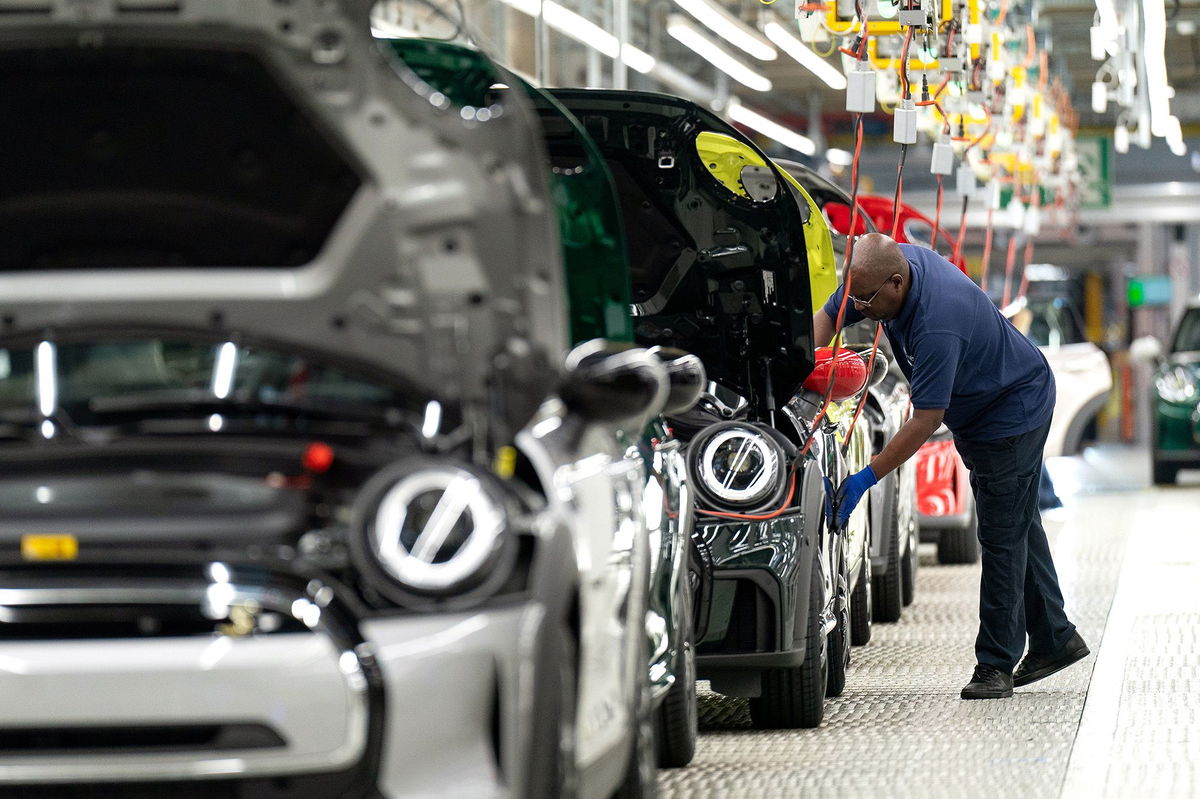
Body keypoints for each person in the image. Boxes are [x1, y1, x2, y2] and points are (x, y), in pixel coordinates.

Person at [817, 233, 1089, 700]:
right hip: (986, 403)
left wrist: (866, 476)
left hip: (1011, 410)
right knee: (1018, 521)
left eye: (867, 300)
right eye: (854, 296)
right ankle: (1055, 638)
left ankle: (995, 666)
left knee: (1001, 535)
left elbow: (926, 418)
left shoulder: (937, 322)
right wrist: (802, 368)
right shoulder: (874, 270)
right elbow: (828, 317)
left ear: (897, 284)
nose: (858, 308)